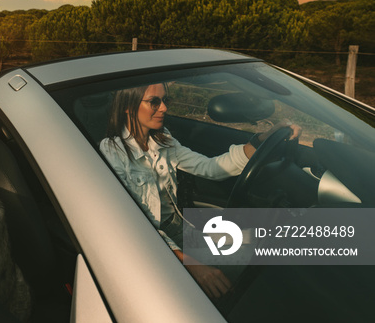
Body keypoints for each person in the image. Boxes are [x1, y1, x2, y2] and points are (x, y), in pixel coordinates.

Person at [99, 83, 300, 299]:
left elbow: (211, 168)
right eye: (154, 102)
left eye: (166, 100)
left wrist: (263, 138)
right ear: (128, 106)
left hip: (184, 230)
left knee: (267, 248)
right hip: (155, 246)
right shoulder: (112, 152)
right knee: (252, 268)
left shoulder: (162, 138)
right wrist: (192, 265)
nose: (164, 108)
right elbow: (135, 225)